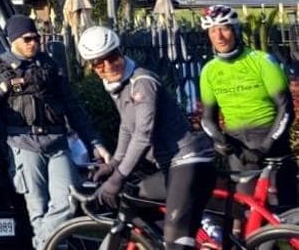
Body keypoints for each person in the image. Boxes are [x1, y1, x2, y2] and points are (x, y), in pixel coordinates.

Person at [0, 14, 108, 247]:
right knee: (37, 208)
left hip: (56, 141)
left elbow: (72, 106)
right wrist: (3, 88)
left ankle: (43, 244)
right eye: (27, 39)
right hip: (23, 143)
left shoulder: (49, 64)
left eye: (36, 38)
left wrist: (94, 143)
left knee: (68, 201)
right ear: (13, 39)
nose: (33, 43)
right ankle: (55, 245)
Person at [79, 24, 215, 250]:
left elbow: (142, 134)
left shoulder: (142, 82)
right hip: (171, 166)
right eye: (99, 63)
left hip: (187, 161)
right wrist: (114, 163)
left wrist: (118, 177)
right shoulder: (117, 86)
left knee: (175, 245)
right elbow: (126, 127)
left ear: (120, 52)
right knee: (134, 198)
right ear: (92, 67)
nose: (108, 66)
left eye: (112, 57)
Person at [197, 5, 295, 207]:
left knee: (281, 208)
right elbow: (207, 117)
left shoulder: (261, 61)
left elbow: (285, 109)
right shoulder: (209, 71)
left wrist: (265, 147)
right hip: (238, 147)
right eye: (213, 31)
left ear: (235, 30)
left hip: (270, 140)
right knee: (245, 210)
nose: (219, 36)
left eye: (224, 29)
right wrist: (220, 140)